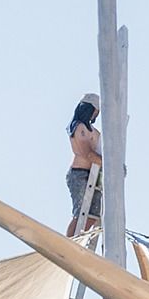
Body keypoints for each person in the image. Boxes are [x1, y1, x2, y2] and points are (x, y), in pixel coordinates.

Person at [63, 93, 104, 239]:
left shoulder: (93, 131)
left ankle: (79, 239)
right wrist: (108, 164)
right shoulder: (79, 128)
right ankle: (69, 243)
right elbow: (87, 154)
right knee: (80, 212)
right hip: (79, 174)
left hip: (93, 175)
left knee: (94, 213)